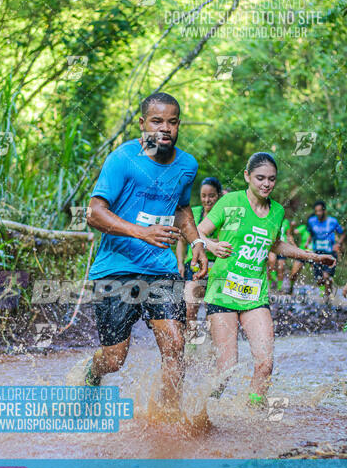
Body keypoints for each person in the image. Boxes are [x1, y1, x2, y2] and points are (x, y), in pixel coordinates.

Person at [83, 92, 208, 411]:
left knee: (175, 344)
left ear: (179, 124)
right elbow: (94, 212)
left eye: (172, 121)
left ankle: (168, 417)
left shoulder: (187, 165)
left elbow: (181, 209)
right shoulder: (122, 159)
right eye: (157, 121)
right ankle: (90, 376)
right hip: (116, 270)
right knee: (114, 359)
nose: (165, 128)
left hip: (162, 269)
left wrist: (196, 243)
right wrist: (142, 232)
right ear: (142, 124)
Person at [197, 152, 335, 406]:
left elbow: (276, 245)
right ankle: (202, 409)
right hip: (222, 292)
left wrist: (312, 256)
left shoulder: (277, 211)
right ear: (248, 176)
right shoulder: (230, 202)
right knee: (227, 366)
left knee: (265, 364)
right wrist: (211, 246)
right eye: (260, 178)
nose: (266, 184)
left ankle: (254, 414)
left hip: (254, 296)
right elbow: (198, 232)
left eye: (271, 179)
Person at [176, 177, 222, 347]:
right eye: (203, 196)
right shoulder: (192, 213)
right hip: (193, 266)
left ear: (218, 196)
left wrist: (206, 242)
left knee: (213, 311)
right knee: (190, 307)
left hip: (216, 267)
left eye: (211, 196)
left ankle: (212, 347)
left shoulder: (223, 215)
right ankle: (191, 345)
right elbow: (182, 240)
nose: (207, 200)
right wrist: (180, 263)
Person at [306, 201, 345, 301]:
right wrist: (307, 243)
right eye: (316, 211)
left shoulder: (333, 221)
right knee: (319, 279)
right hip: (316, 253)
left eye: (320, 211)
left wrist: (338, 244)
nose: (318, 213)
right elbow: (311, 233)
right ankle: (325, 293)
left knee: (326, 276)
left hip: (330, 253)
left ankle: (327, 298)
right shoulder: (311, 221)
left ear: (324, 211)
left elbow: (343, 233)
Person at [267, 217, 295, 292]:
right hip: (272, 245)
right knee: (271, 263)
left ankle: (279, 288)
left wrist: (293, 246)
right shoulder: (272, 219)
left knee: (281, 267)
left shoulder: (286, 222)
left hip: (282, 247)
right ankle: (272, 282)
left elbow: (289, 235)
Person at [288, 219, 312, 294]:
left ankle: (324, 297)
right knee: (293, 274)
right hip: (302, 253)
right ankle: (290, 290)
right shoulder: (304, 227)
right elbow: (292, 233)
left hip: (314, 254)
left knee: (319, 277)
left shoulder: (320, 229)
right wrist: (291, 226)